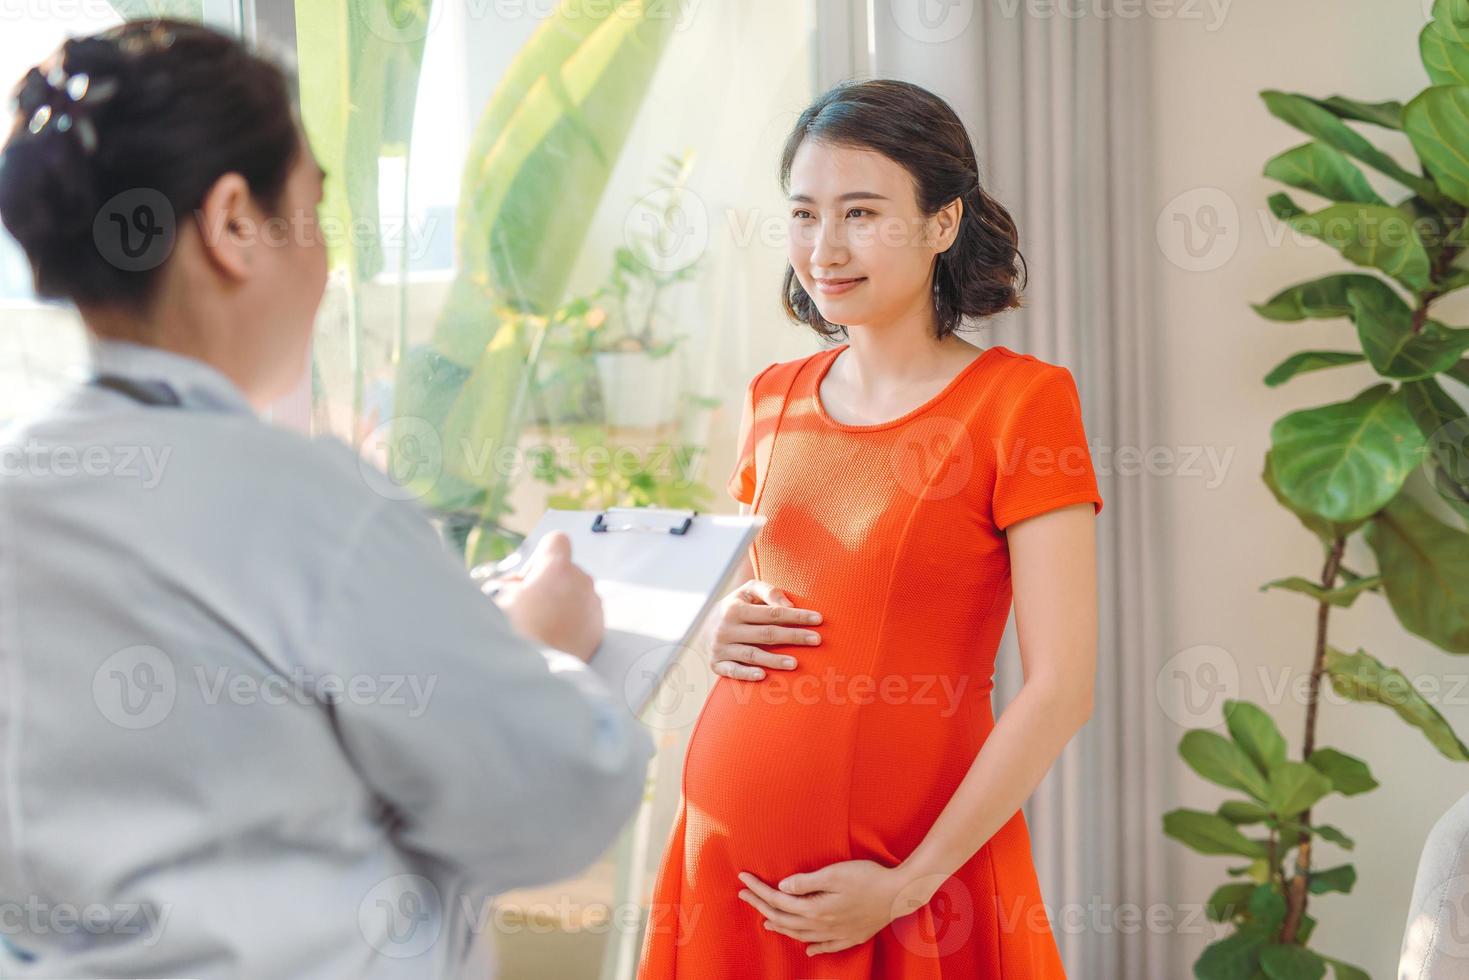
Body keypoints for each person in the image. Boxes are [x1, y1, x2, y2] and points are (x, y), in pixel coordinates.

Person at [0, 19, 652, 978]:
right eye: (314, 207)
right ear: (232, 223)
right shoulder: (305, 505)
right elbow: (549, 805)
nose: (326, 261)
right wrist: (545, 653)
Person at [637, 78, 1103, 977]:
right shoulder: (772, 400)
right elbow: (769, 610)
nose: (825, 247)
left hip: (908, 882)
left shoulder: (1022, 403)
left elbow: (1060, 691)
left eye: (860, 213)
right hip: (725, 872)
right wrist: (719, 625)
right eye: (804, 214)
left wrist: (909, 884)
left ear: (940, 224)